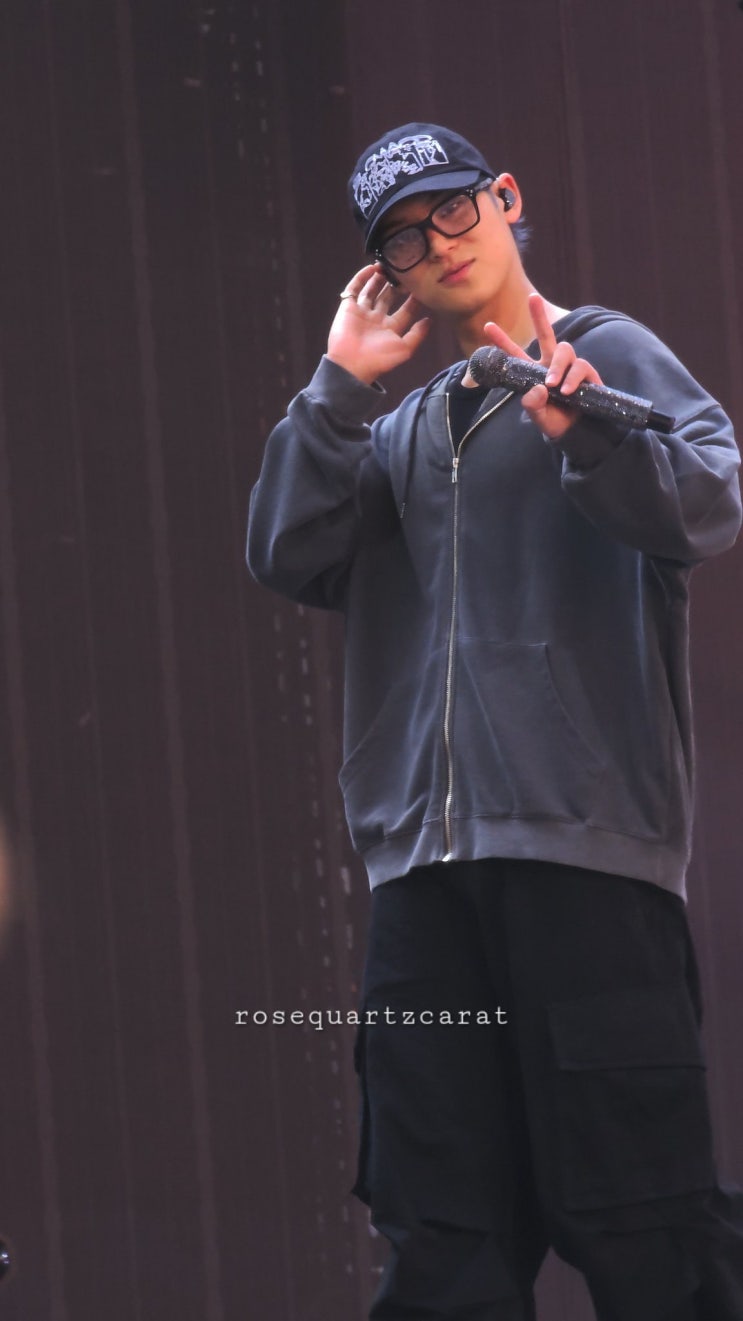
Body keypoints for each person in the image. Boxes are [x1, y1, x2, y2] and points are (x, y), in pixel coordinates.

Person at [247, 122, 743, 1320]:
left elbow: (708, 500)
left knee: (643, 1226)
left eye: (453, 211)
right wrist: (337, 388)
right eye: (402, 241)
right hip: (423, 888)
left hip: (586, 872)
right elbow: (288, 552)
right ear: (383, 275)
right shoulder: (396, 431)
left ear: (506, 199)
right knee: (439, 1235)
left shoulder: (602, 352)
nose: (438, 247)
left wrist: (591, 434)